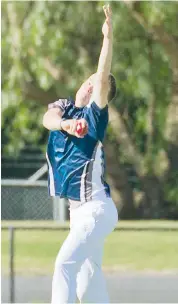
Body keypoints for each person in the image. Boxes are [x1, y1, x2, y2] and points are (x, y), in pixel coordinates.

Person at [43, 4, 118, 304]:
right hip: (79, 213)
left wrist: (108, 39)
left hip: (95, 210)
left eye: (95, 84)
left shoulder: (95, 118)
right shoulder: (64, 108)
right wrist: (64, 123)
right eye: (88, 81)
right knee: (89, 279)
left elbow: (102, 78)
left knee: (64, 265)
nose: (89, 86)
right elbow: (47, 120)